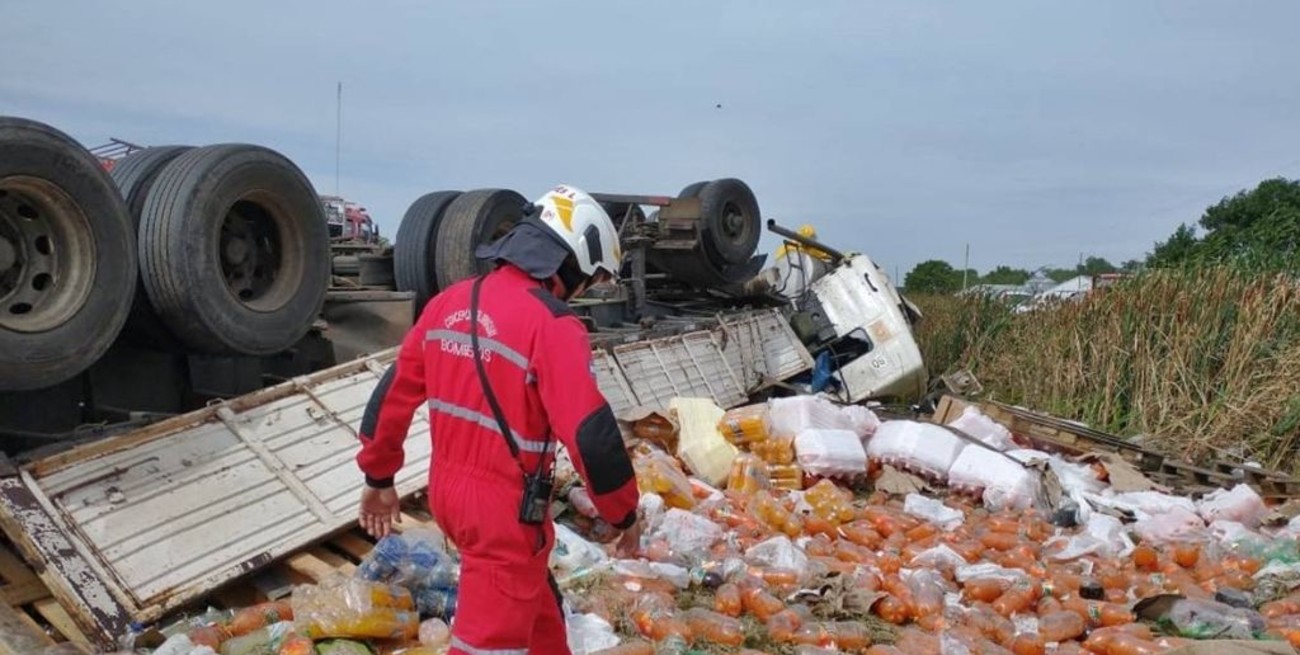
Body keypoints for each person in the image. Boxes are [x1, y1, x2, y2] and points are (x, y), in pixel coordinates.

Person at [354, 185, 642, 655]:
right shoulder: (553, 325)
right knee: (486, 641)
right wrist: (623, 512)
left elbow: (392, 395)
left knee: (536, 609)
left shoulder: (449, 302)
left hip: (449, 494)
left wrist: (379, 476)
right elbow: (591, 434)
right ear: (573, 263)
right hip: (502, 515)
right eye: (591, 279)